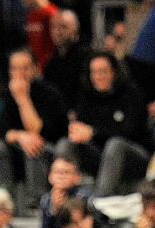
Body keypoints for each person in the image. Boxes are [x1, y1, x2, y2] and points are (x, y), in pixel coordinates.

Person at [56, 51, 150, 197]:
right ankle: (60, 197)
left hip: (134, 155)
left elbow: (131, 131)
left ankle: (100, 202)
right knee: (66, 143)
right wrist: (77, 132)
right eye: (94, 72)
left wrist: (93, 132)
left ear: (114, 72)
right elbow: (81, 128)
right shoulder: (86, 95)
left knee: (115, 144)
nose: (98, 77)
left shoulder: (131, 93)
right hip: (100, 154)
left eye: (103, 71)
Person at [0, 49, 67, 212]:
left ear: (35, 69)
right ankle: (3, 202)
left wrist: (23, 99)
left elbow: (39, 131)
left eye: (24, 68)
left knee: (34, 146)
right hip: (19, 148)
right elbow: (2, 132)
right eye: (14, 69)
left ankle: (37, 203)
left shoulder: (49, 93)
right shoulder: (5, 94)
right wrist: (20, 136)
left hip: (50, 150)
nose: (19, 73)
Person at [43, 10, 90, 108]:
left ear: (76, 29)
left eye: (63, 27)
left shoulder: (87, 57)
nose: (57, 31)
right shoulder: (52, 62)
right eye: (53, 27)